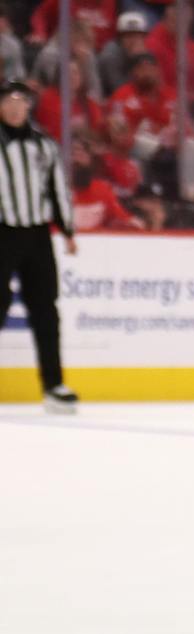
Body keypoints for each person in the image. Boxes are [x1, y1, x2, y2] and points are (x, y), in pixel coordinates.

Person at [0, 79, 79, 413]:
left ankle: (53, 384)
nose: (14, 107)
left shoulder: (44, 144)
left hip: (36, 235)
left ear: (29, 106)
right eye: (8, 101)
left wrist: (67, 229)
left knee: (46, 309)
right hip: (3, 231)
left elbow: (57, 187)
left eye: (20, 101)